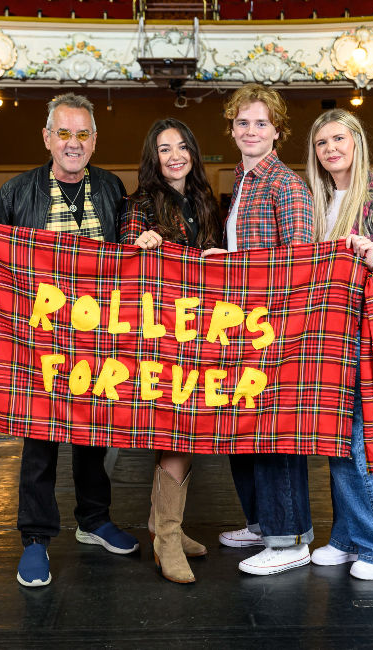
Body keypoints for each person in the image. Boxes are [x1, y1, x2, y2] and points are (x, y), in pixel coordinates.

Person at [0, 92, 138, 588]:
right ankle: (35, 539)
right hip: (39, 341)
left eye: (83, 134)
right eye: (64, 133)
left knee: (97, 435)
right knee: (40, 443)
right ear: (47, 137)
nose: (73, 143)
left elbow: (131, 260)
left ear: (94, 140)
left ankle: (93, 521)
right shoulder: (17, 190)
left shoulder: (113, 187)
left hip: (99, 339)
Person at [205, 83, 318, 576]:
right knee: (244, 430)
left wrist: (233, 263)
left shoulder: (285, 185)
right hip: (243, 328)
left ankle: (289, 539)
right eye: (242, 123)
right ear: (232, 129)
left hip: (276, 329)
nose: (251, 131)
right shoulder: (244, 178)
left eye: (261, 123)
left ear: (277, 131)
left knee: (275, 432)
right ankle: (262, 521)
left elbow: (299, 263)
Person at [304, 108, 373, 580]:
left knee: (356, 442)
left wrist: (371, 259)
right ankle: (349, 538)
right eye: (321, 143)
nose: (330, 149)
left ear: (356, 142)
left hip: (366, 333)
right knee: (335, 440)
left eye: (338, 139)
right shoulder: (315, 198)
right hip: (325, 335)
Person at [119, 117, 222, 584]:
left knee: (187, 430)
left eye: (182, 146)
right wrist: (145, 242)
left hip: (200, 331)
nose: (175, 155)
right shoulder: (142, 202)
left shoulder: (205, 199)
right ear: (153, 158)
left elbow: (217, 255)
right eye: (165, 149)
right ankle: (166, 535)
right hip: (160, 334)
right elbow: (125, 249)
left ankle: (166, 530)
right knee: (176, 432)